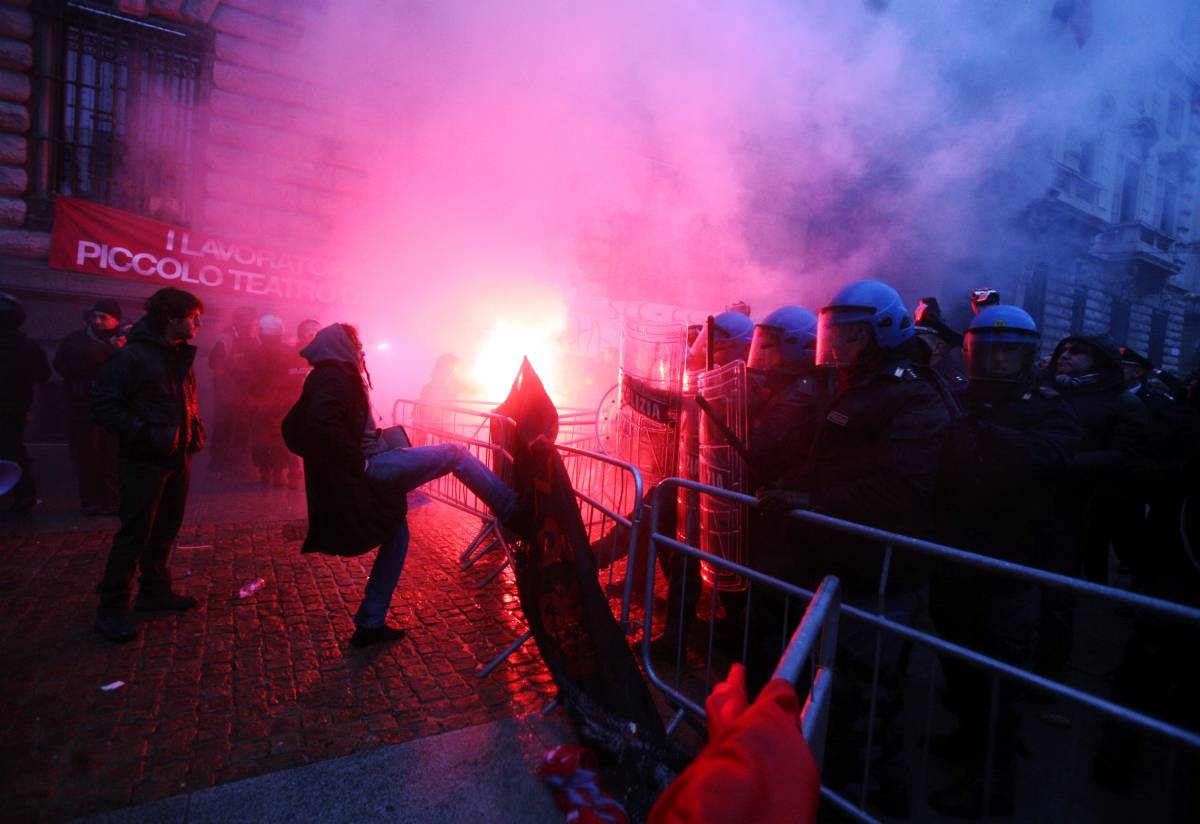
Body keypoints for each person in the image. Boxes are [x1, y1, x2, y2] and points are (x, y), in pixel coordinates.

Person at [758, 279, 951, 817]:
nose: (836, 345)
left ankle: (870, 805)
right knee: (832, 694)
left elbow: (900, 490)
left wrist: (809, 499)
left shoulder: (914, 393)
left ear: (883, 333)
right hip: (840, 563)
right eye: (832, 334)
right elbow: (831, 458)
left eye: (849, 335)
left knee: (869, 707)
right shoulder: (851, 384)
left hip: (882, 577)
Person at [282, 323, 525, 647]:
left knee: (396, 535)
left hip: (367, 463)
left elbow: (307, 427)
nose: (362, 350)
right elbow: (316, 426)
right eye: (357, 343)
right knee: (456, 454)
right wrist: (359, 461)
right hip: (371, 467)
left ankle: (370, 622)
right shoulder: (333, 377)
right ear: (342, 346)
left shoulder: (330, 375)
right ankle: (512, 508)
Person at [928, 306, 1081, 817]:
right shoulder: (958, 397)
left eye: (1007, 351)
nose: (994, 360)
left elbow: (1051, 455)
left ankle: (992, 787)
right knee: (959, 662)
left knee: (998, 677)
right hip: (955, 556)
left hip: (1010, 563)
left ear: (1028, 357)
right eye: (985, 349)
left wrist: (983, 431)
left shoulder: (1046, 405)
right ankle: (968, 739)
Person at [91, 288, 206, 643]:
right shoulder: (134, 356)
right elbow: (103, 404)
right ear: (173, 318)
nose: (198, 323)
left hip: (176, 456)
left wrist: (193, 433)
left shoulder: (176, 355)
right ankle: (111, 609)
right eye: (193, 317)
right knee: (135, 534)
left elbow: (182, 403)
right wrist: (144, 434)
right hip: (144, 460)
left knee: (165, 528)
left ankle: (154, 590)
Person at [1033, 333, 1147, 678]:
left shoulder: (1122, 404)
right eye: (1063, 351)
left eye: (1077, 352)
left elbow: (1123, 456)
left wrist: (1064, 462)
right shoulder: (1046, 390)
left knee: (1057, 595)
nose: (1065, 356)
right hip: (1031, 500)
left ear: (1100, 360)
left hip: (1073, 508)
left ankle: (1048, 674)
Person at [53, 299, 123, 514]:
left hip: (117, 408)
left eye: (103, 317)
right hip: (85, 408)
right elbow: (63, 366)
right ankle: (91, 501)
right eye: (95, 316)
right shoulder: (76, 340)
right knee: (87, 456)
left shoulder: (127, 340)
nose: (97, 321)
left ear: (115, 320)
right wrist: (107, 352)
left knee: (113, 457)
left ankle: (112, 501)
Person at [0, 292, 51, 513]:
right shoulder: (29, 346)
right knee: (14, 450)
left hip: (14, 407)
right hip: (15, 408)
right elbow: (43, 375)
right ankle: (25, 495)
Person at [208, 306, 258, 477]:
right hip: (227, 394)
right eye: (250, 320)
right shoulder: (225, 339)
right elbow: (215, 365)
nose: (253, 323)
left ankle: (238, 465)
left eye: (253, 320)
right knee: (223, 428)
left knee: (243, 430)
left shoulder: (254, 339)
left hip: (247, 394)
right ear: (238, 320)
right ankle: (216, 465)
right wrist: (227, 388)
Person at [248, 314, 294, 487]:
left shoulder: (256, 352)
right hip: (284, 404)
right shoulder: (290, 352)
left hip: (261, 404)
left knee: (261, 439)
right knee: (280, 438)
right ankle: (279, 473)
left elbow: (247, 378)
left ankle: (266, 473)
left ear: (264, 332)